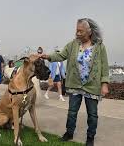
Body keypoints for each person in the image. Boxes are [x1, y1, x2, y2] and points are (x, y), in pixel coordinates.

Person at [38, 18, 109, 146]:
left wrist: (104, 84)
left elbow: (104, 66)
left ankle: (90, 137)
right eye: (76, 30)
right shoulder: (73, 44)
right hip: (75, 84)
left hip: (92, 86)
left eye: (80, 31)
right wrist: (48, 56)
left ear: (90, 31)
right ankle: (69, 133)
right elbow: (61, 55)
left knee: (92, 114)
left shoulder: (99, 47)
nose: (77, 33)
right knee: (72, 112)